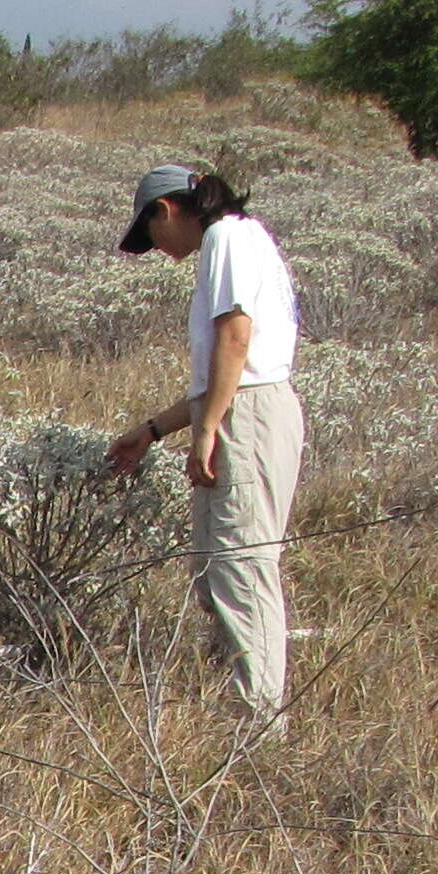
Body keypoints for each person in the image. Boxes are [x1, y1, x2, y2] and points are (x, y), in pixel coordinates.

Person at [106, 164, 302, 726]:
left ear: (165, 210)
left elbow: (236, 340)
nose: (157, 249)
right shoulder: (233, 239)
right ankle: (239, 707)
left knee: (243, 568)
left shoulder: (228, 237)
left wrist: (210, 429)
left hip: (251, 419)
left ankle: (258, 726)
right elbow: (219, 374)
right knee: (216, 570)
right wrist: (152, 431)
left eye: (151, 235)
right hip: (242, 411)